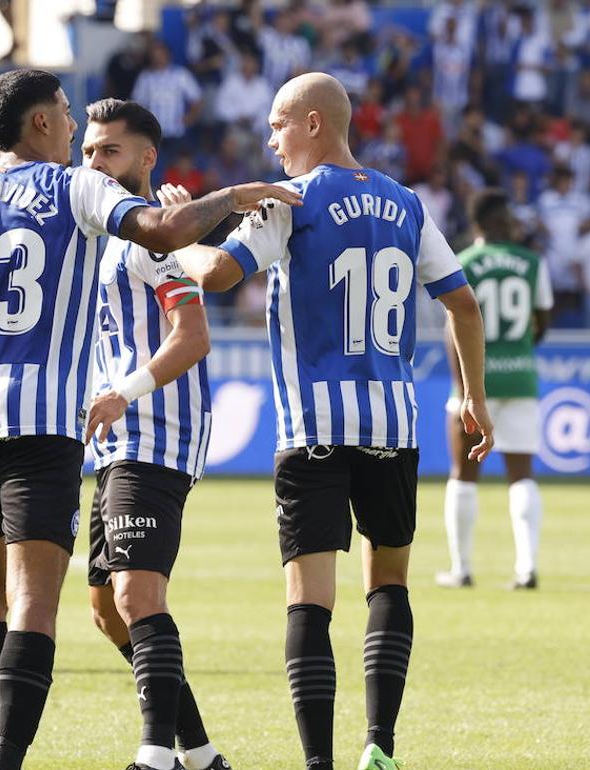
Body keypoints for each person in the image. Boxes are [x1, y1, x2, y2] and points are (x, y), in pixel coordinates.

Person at [0, 68, 298, 770]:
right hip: (43, 421)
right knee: (37, 601)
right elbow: (163, 224)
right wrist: (232, 197)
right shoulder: (74, 188)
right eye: (65, 116)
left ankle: (19, 756)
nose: (74, 133)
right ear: (41, 125)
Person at [174, 73, 493, 770]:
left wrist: (174, 242)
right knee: (390, 586)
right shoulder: (407, 203)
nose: (271, 140)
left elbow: (221, 275)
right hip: (392, 428)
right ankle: (380, 748)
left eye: (278, 124)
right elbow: (463, 306)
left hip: (313, 430)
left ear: (314, 124)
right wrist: (474, 396)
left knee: (310, 601)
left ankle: (319, 763)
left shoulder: (290, 199)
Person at [80, 98, 231, 770]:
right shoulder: (102, 234)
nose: (94, 162)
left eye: (109, 151)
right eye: (87, 151)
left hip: (155, 432)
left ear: (145, 158)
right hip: (114, 441)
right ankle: (199, 754)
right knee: (108, 612)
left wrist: (125, 391)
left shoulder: (159, 241)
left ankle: (153, 756)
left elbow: (192, 337)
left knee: (138, 594)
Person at [437, 189, 552, 591]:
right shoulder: (531, 263)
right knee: (521, 475)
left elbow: (453, 328)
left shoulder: (462, 262)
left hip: (474, 384)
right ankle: (527, 567)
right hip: (520, 378)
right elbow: (542, 323)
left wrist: (464, 385)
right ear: (502, 219)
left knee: (463, 475)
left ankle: (461, 568)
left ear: (475, 223)